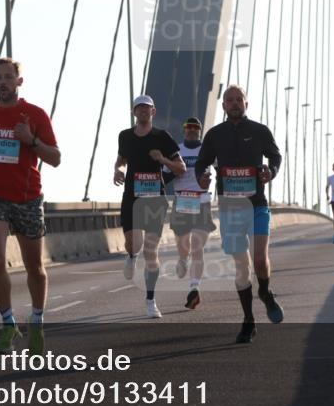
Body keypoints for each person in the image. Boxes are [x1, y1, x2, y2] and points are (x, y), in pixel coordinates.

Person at [0, 58, 61, 355]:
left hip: (27, 197)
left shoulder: (35, 114)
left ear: (19, 81)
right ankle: (8, 324)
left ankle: (37, 322)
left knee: (35, 267)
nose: (3, 82)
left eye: (8, 77)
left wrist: (30, 140)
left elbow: (55, 158)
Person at [195, 85, 284, 344]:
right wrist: (202, 176)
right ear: (223, 105)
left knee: (259, 259)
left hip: (257, 205)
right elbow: (201, 162)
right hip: (230, 209)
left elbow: (275, 156)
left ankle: (265, 293)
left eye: (238, 99)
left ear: (246, 103)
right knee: (242, 266)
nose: (234, 103)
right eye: (229, 100)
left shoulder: (259, 131)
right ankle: (249, 320)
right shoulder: (214, 135)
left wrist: (271, 171)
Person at [114, 95, 185, 318]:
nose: (143, 111)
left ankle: (150, 300)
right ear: (134, 112)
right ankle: (131, 256)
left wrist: (163, 160)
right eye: (139, 108)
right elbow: (121, 160)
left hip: (155, 199)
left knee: (151, 251)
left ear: (153, 112)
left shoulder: (162, 137)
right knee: (133, 244)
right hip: (132, 198)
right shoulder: (125, 136)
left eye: (147, 108)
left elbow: (181, 168)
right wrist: (118, 170)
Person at [163, 117, 216, 310]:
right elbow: (164, 175)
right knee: (183, 244)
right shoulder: (176, 151)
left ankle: (194, 287)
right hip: (182, 200)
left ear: (200, 131)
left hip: (201, 200)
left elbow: (222, 168)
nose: (192, 130)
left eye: (195, 128)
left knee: (197, 246)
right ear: (184, 130)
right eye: (188, 127)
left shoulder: (207, 150)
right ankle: (182, 259)